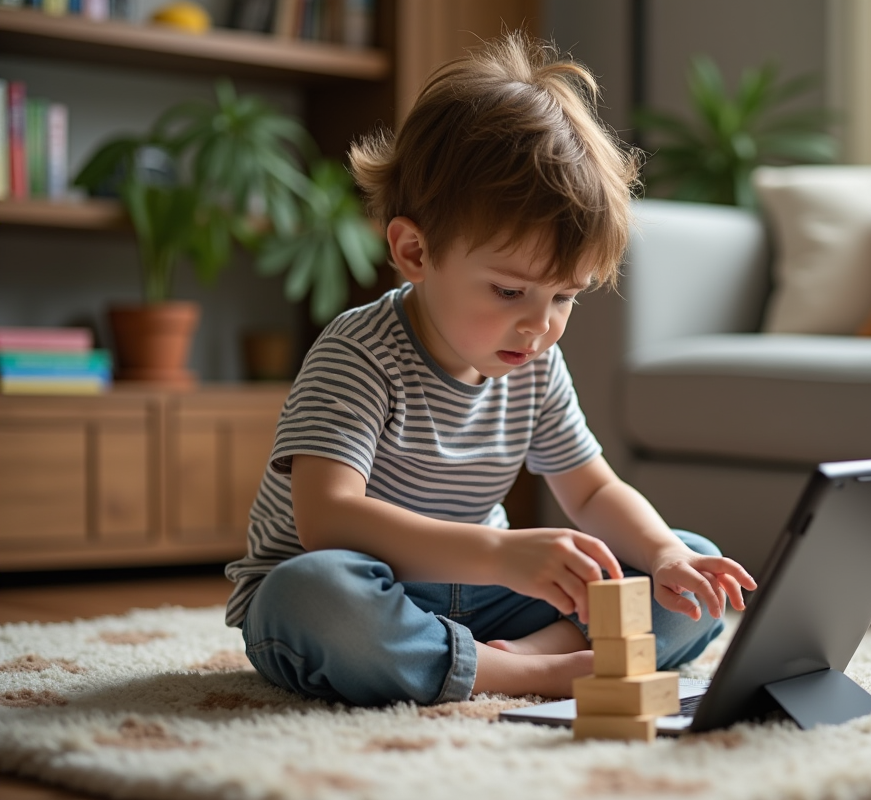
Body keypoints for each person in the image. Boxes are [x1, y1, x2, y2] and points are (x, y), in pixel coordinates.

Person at [224, 31, 757, 707]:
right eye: (510, 291)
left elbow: (591, 493)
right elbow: (327, 521)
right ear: (415, 252)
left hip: (485, 596)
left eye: (564, 296)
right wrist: (501, 556)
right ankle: (533, 676)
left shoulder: (535, 364)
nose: (540, 326)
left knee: (689, 580)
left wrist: (664, 556)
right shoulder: (357, 354)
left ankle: (526, 657)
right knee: (316, 597)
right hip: (361, 585)